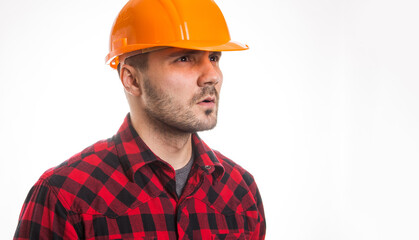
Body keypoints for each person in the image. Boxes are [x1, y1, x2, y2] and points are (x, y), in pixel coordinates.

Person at [13, 0, 266, 239]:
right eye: (184, 58)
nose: (212, 76)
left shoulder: (240, 192)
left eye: (214, 58)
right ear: (131, 80)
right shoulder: (66, 196)